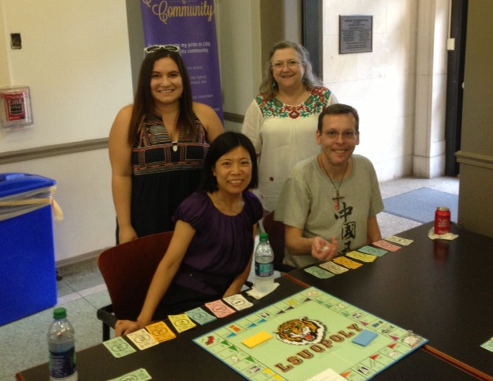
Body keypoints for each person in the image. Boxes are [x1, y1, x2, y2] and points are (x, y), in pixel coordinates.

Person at [115, 132, 262, 335]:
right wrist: (142, 320)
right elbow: (169, 264)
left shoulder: (252, 205)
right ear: (213, 169)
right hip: (189, 298)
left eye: (244, 163)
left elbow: (246, 258)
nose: (236, 171)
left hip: (227, 295)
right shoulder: (196, 207)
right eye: (227, 164)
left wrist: (232, 293)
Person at [109, 45, 224, 244]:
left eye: (173, 75)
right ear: (146, 80)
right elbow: (121, 175)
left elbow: (224, 165)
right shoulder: (128, 117)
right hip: (147, 222)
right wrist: (125, 226)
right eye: (156, 76)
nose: (165, 83)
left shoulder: (206, 114)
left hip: (199, 219)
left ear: (183, 79)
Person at [274, 104, 383, 268]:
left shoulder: (365, 167)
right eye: (332, 133)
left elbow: (372, 228)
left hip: (355, 265)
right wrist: (312, 245)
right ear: (319, 137)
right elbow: (292, 243)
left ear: (357, 137)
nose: (340, 141)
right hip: (312, 270)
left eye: (348, 134)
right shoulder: (300, 177)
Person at [242, 40, 337, 214]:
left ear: (304, 66)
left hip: (319, 186)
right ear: (272, 71)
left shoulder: (325, 99)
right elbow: (247, 152)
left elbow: (338, 143)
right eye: (278, 64)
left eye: (292, 62)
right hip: (274, 191)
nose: (285, 69)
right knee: (278, 238)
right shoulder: (260, 104)